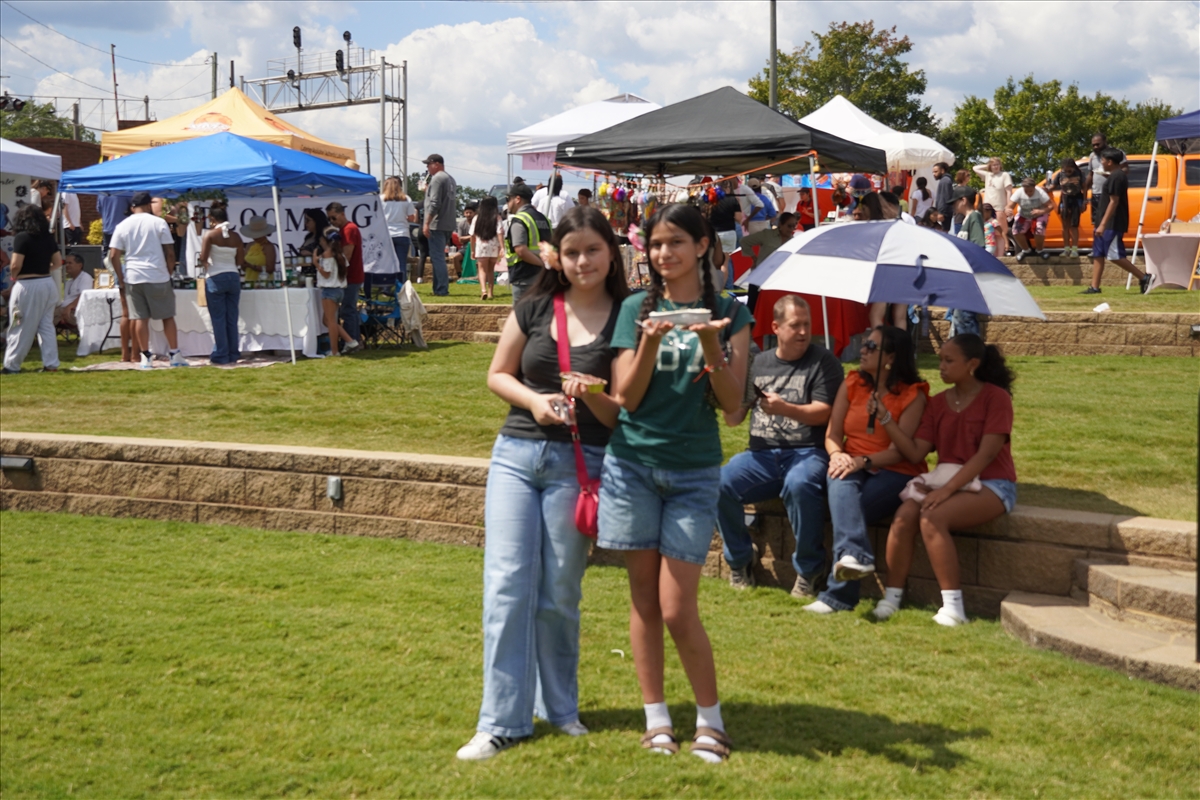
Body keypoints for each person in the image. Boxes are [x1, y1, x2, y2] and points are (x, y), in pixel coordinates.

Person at [456, 206, 629, 762]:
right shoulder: (533, 304)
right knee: (506, 587)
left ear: (611, 254)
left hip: (579, 465)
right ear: (558, 255)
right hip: (516, 455)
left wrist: (590, 394)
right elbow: (497, 374)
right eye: (572, 251)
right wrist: (535, 401)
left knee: (559, 594)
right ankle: (501, 721)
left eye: (593, 250)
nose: (583, 261)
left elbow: (621, 413)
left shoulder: (626, 316)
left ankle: (560, 710)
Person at [601, 203, 752, 763]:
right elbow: (626, 398)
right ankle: (657, 720)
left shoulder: (731, 313)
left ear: (702, 245)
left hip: (693, 471)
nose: (664, 253)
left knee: (676, 606)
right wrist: (648, 340)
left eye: (676, 243)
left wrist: (712, 344)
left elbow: (733, 409)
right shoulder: (634, 309)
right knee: (644, 602)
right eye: (656, 244)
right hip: (632, 467)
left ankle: (711, 722)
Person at [872, 333, 1018, 626]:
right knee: (904, 515)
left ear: (972, 364)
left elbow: (987, 454)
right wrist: (885, 418)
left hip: (993, 484)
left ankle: (954, 608)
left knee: (932, 517)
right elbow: (915, 452)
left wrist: (946, 490)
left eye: (949, 361)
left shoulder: (996, 398)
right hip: (947, 482)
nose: (941, 367)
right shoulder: (938, 403)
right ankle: (892, 598)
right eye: (940, 360)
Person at [716, 294, 842, 593]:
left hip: (808, 452)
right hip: (761, 455)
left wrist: (785, 409)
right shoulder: (758, 363)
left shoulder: (824, 362)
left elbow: (825, 413)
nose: (803, 332)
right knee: (720, 483)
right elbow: (733, 419)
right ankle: (740, 560)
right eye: (795, 325)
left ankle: (810, 569)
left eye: (807, 324)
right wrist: (724, 383)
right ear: (776, 327)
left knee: (800, 484)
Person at [810, 326, 928, 614]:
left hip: (896, 470)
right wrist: (837, 455)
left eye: (871, 347)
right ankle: (854, 561)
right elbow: (832, 434)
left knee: (852, 509)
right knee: (839, 479)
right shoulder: (852, 383)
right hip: (851, 463)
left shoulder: (914, 394)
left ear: (891, 357)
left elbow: (901, 452)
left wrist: (862, 461)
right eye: (864, 344)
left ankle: (838, 595)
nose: (862, 350)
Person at [108, 191, 186, 369]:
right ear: (148, 205)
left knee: (140, 318)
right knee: (167, 317)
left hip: (133, 276)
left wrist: (121, 277)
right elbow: (170, 252)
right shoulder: (159, 222)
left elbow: (113, 255)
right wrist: (168, 272)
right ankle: (174, 354)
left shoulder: (122, 225)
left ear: (132, 207)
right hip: (157, 274)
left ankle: (145, 356)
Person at [2, 204, 62, 373]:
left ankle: (12, 365)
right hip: (47, 283)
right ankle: (51, 364)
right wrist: (43, 269)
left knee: (20, 324)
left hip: (28, 285)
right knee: (46, 326)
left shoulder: (22, 237)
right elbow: (58, 262)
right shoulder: (48, 237)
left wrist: (14, 277)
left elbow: (15, 264)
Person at [1085, 147, 1151, 295]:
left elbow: (1114, 202)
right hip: (1102, 221)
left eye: (1103, 160)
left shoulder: (1118, 176)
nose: (1101, 162)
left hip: (1112, 223)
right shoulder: (1112, 176)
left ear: (1110, 162)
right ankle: (1094, 287)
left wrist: (1103, 225)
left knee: (1114, 255)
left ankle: (1144, 277)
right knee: (1098, 253)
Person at [199, 206, 245, 365]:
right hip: (233, 276)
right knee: (231, 318)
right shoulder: (236, 237)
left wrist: (207, 264)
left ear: (212, 219)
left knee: (218, 319)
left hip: (216, 276)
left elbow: (203, 258)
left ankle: (221, 354)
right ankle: (233, 353)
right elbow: (240, 261)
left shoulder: (210, 235)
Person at [304, 208, 352, 358]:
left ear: (325, 241)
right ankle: (350, 341)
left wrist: (316, 263)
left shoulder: (327, 255)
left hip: (329, 290)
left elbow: (326, 273)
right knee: (327, 320)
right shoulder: (340, 254)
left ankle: (334, 350)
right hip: (339, 290)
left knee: (330, 321)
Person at [503, 183, 552, 305]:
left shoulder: (520, 219)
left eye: (508, 199)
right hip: (543, 277)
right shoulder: (543, 218)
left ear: (517, 199)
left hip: (524, 277)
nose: (507, 203)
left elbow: (520, 250)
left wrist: (541, 264)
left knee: (521, 315)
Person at [325, 202, 363, 353]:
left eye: (333, 218)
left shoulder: (349, 229)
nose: (332, 221)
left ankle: (352, 342)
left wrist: (336, 274)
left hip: (351, 277)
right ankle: (354, 341)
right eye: (329, 219)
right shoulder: (345, 229)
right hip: (349, 276)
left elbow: (346, 257)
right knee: (348, 310)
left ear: (342, 214)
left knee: (348, 310)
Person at [946, 190, 983, 337]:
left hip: (969, 278)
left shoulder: (975, 216)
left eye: (955, 202)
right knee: (959, 318)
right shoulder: (966, 220)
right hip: (963, 277)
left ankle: (972, 348)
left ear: (963, 200)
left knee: (965, 318)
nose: (953, 206)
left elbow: (978, 246)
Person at [421, 153, 458, 297]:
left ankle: (441, 288)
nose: (427, 167)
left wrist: (427, 222)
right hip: (448, 223)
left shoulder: (437, 178)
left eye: (429, 164)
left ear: (436, 164)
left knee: (437, 258)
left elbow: (435, 203)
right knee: (439, 257)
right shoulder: (450, 179)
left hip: (437, 223)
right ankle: (438, 288)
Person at [381, 176, 416, 286]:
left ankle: (387, 287)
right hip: (402, 233)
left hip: (386, 234)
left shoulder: (381, 199)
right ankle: (401, 287)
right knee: (401, 263)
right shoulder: (406, 199)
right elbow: (412, 218)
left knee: (387, 263)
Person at [1008, 178, 1054, 262]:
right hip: (1023, 215)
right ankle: (1026, 250)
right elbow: (1009, 206)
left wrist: (1041, 211)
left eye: (1031, 191)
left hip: (1039, 214)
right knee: (1016, 231)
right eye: (1026, 191)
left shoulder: (1040, 193)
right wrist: (1008, 210)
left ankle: (1040, 250)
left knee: (1039, 229)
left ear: (1034, 187)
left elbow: (1051, 206)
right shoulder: (1019, 192)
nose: (1028, 193)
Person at [973, 158, 1013, 253]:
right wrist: (987, 165)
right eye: (993, 165)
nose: (996, 166)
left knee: (1000, 234)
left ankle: (1000, 255)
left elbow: (1009, 192)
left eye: (997, 164)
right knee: (988, 234)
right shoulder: (988, 175)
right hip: (987, 210)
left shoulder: (1004, 175)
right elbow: (975, 168)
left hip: (999, 209)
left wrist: (1008, 207)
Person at [470, 195, 504, 301]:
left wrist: (472, 250)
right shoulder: (497, 217)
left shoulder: (476, 218)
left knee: (482, 269)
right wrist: (502, 247)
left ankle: (483, 290)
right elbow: (500, 233)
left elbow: (472, 235)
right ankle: (490, 293)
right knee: (491, 270)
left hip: (481, 246)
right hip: (493, 246)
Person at [1051, 158, 1087, 258]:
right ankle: (1066, 249)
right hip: (1065, 200)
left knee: (1074, 225)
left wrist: (1084, 202)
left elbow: (1084, 187)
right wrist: (1046, 189)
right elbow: (1053, 186)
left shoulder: (1080, 174)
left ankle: (1074, 250)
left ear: (1073, 167)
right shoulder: (1060, 174)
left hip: (1076, 199)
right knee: (1065, 225)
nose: (1067, 172)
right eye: (1065, 170)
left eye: (1069, 170)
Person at [54, 252, 90, 327]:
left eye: (70, 263)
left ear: (80, 265)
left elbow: (83, 296)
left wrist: (69, 307)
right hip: (64, 310)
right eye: (66, 263)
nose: (67, 265)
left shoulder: (85, 278)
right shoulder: (69, 282)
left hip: (77, 312)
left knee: (45, 316)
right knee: (44, 314)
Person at [239, 216, 276, 283]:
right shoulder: (249, 245)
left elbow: (270, 269)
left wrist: (251, 266)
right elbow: (244, 269)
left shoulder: (269, 247)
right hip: (249, 281)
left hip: (264, 283)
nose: (255, 237)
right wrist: (243, 264)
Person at [1087, 132, 1108, 226]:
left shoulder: (1115, 153)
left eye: (1098, 144)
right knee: (1097, 221)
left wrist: (1111, 174)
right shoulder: (1092, 156)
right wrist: (1084, 190)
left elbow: (1125, 169)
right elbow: (1090, 174)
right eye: (1093, 145)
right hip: (1096, 194)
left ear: (1105, 142)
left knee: (1109, 221)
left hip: (1110, 193)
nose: (1095, 147)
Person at [932, 162, 954, 232]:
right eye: (933, 172)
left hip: (944, 213)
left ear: (942, 171)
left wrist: (941, 212)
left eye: (936, 172)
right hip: (944, 212)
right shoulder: (945, 180)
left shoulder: (945, 181)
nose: (934, 174)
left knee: (943, 233)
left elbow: (945, 197)